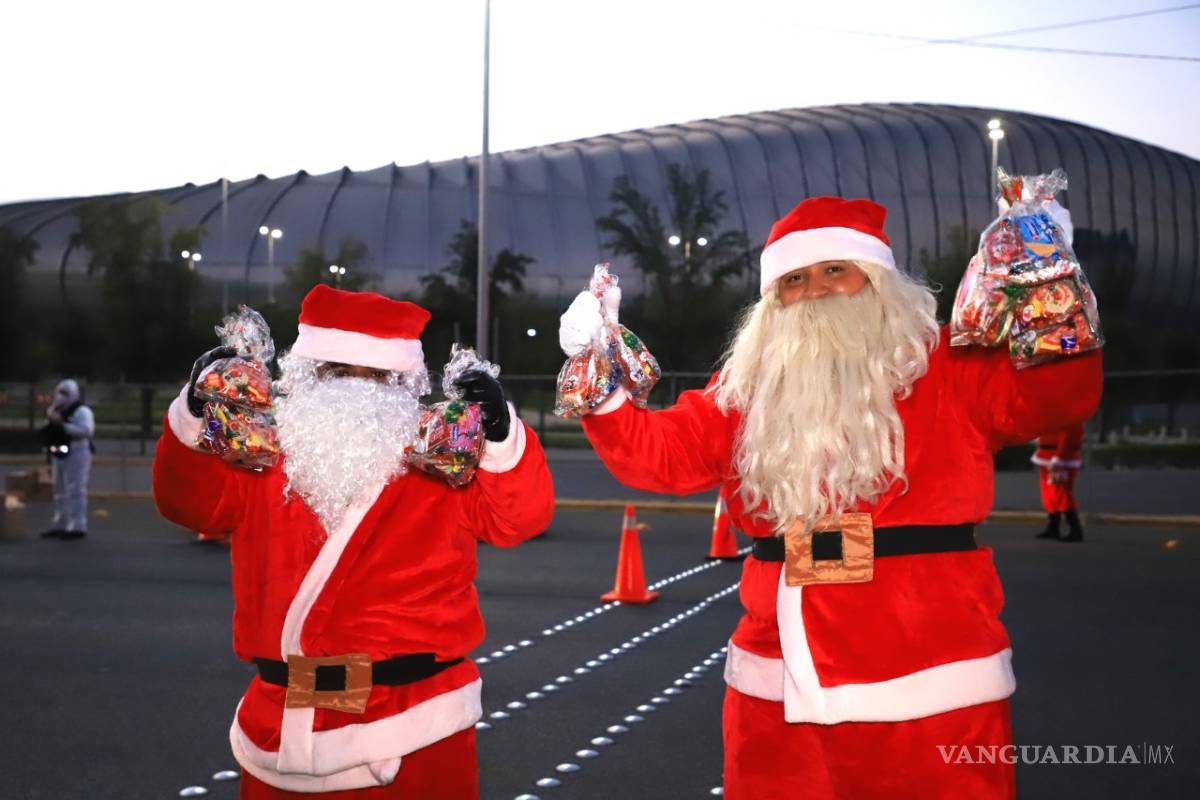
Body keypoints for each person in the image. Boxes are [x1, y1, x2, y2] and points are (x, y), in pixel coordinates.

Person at [559, 196, 1102, 798]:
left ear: (877, 281)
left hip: (933, 687)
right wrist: (599, 384)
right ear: (772, 302)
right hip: (776, 691)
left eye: (834, 270)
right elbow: (660, 453)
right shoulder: (744, 388)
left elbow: (1059, 398)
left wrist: (1051, 286)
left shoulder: (948, 361)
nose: (814, 290)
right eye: (793, 279)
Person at [153, 285, 554, 798]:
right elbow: (186, 503)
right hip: (280, 723)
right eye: (338, 372)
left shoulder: (441, 461)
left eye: (378, 377)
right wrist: (193, 412)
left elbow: (520, 518)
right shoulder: (261, 455)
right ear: (305, 375)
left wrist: (500, 437)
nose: (357, 391)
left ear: (403, 385)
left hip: (415, 726)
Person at [39, 378, 95, 540]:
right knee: (59, 490)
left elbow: (87, 431)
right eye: (59, 392)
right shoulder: (56, 410)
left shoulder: (82, 411)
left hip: (78, 452)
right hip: (60, 452)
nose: (61, 396)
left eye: (65, 393)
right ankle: (60, 523)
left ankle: (77, 526)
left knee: (75, 489)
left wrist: (63, 426)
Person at [1032, 421, 1085, 542]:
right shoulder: (1054, 414)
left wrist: (1058, 457)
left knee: (1063, 495)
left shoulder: (1069, 415)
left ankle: (1075, 530)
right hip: (1046, 456)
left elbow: (1069, 436)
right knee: (1050, 495)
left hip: (1060, 459)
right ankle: (1053, 527)